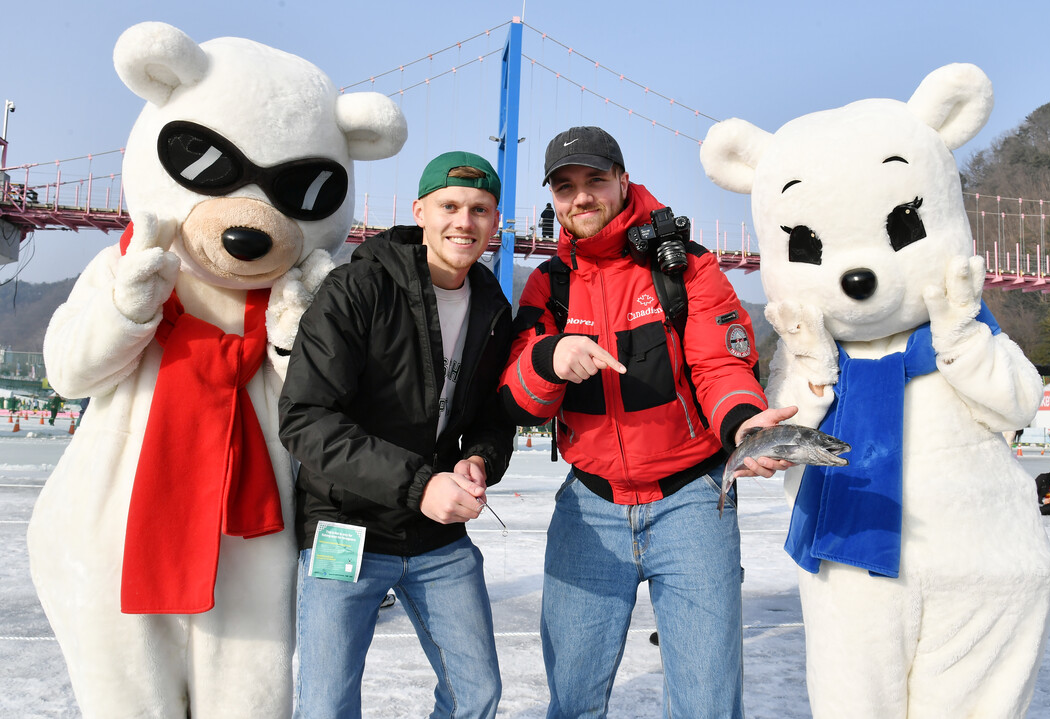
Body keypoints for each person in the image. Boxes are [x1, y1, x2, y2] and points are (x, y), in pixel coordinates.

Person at [498, 125, 795, 718]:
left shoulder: (686, 268)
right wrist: (548, 360)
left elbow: (719, 366)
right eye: (565, 187)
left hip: (692, 504)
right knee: (573, 698)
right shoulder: (548, 284)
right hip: (590, 505)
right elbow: (518, 401)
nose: (580, 198)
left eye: (594, 181)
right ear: (553, 199)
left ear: (622, 179)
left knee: (705, 702)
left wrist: (743, 425)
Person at [279, 151, 515, 719]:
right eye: (450, 206)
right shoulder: (356, 290)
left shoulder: (490, 305)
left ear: (496, 221)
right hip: (345, 531)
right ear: (419, 211)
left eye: (480, 209)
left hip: (436, 537)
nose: (464, 221)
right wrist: (419, 485)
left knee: (476, 693)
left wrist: (479, 460)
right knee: (327, 705)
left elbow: (491, 415)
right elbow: (305, 419)